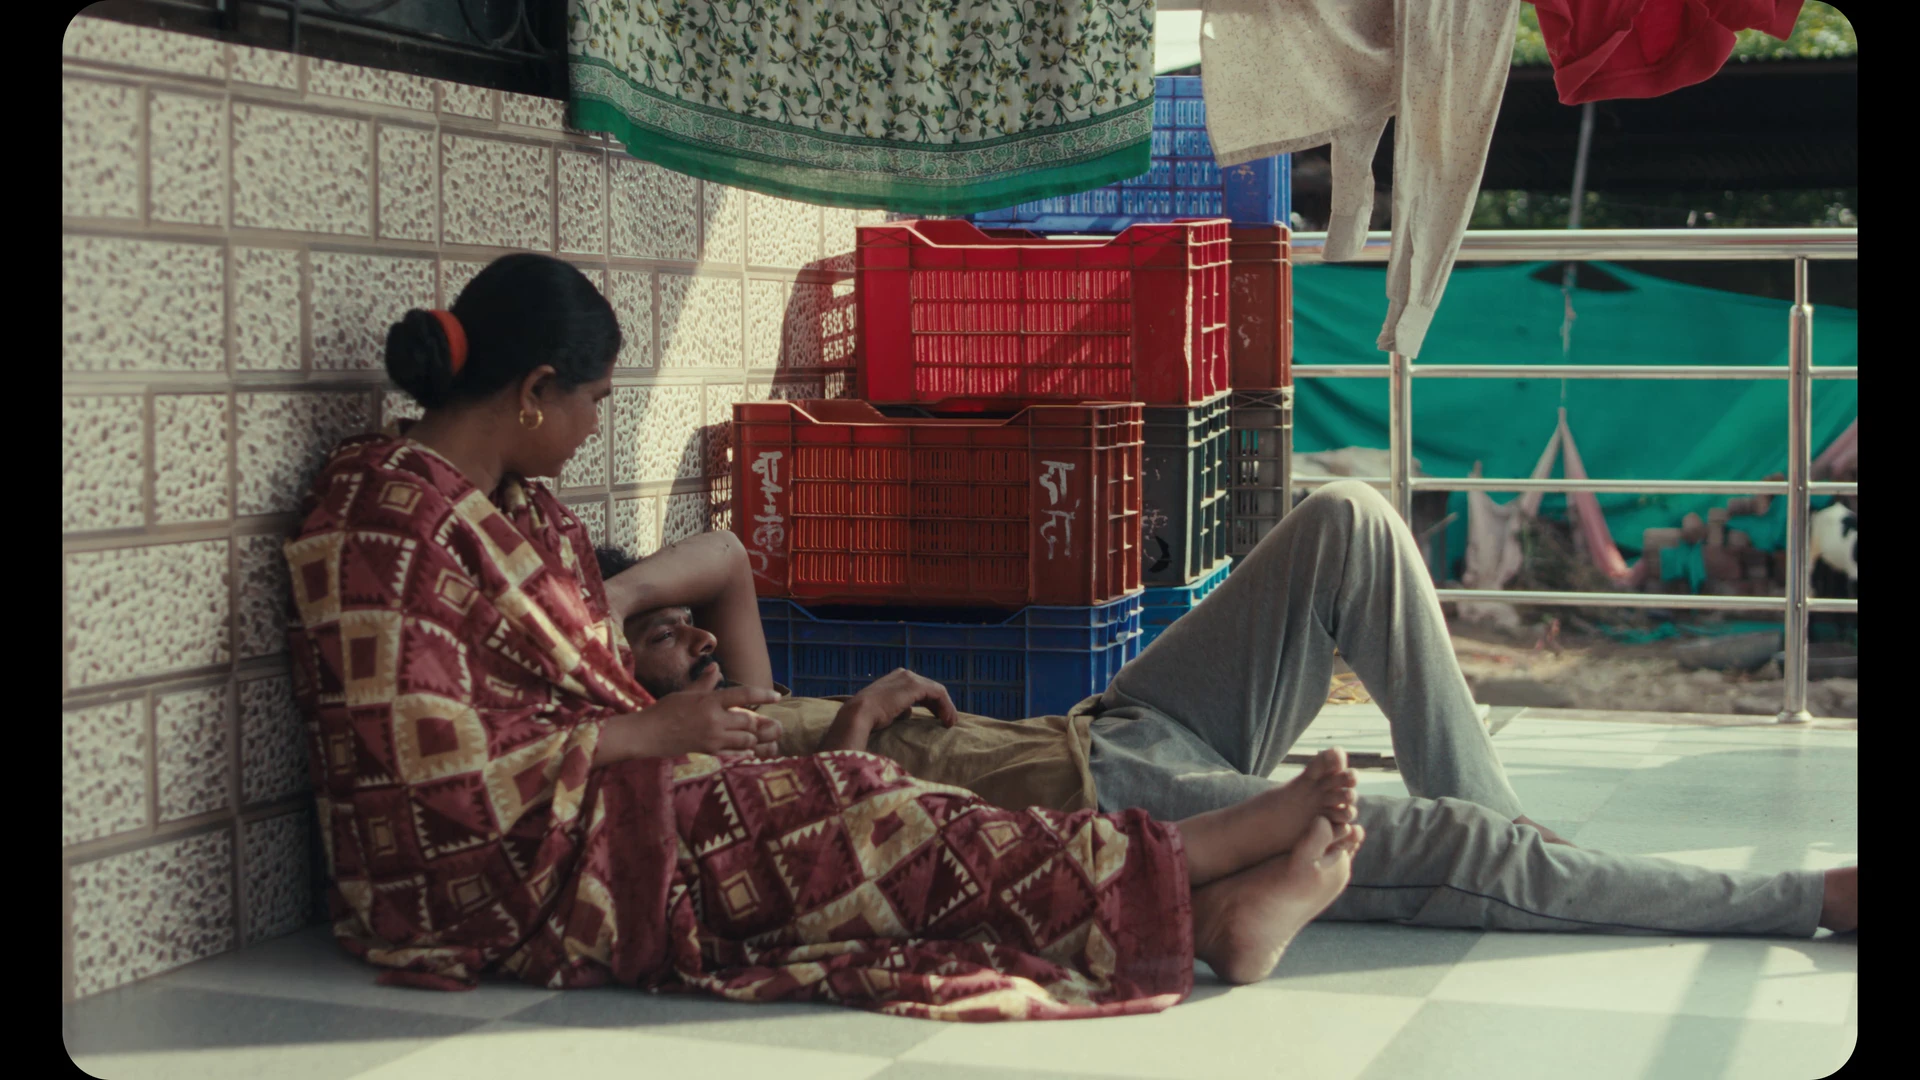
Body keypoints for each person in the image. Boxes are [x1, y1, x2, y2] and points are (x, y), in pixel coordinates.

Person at [281, 252, 1377, 1023]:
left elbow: (588, 678)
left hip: (619, 801)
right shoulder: (380, 526)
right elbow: (418, 781)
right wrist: (652, 733)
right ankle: (1197, 870)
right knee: (870, 832)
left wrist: (685, 729)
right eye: (596, 401)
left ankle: (1204, 902)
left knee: (870, 805)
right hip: (507, 875)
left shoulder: (518, 516)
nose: (595, 426)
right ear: (533, 393)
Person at [596, 478, 1860, 942]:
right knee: (1446, 846)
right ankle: (1798, 898)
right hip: (1103, 804)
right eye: (665, 641)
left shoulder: (738, 697)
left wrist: (612, 600)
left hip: (1111, 725)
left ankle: (1510, 831)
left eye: (684, 623)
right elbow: (833, 858)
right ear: (622, 687)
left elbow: (726, 555)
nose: (696, 636)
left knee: (1350, 521)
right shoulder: (681, 772)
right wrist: (860, 723)